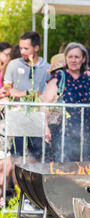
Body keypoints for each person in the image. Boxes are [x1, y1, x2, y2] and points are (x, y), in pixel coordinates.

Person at [40, 42, 90, 162]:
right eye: (70, 57)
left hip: (86, 137)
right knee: (63, 173)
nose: (73, 60)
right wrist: (45, 127)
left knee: (84, 174)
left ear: (83, 59)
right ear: (66, 59)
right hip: (63, 137)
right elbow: (45, 105)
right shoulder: (59, 78)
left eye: (77, 57)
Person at [0, 31, 51, 162]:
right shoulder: (13, 65)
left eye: (26, 48)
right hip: (17, 116)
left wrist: (22, 92)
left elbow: (48, 95)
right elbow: (7, 90)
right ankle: (17, 183)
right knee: (17, 158)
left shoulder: (47, 68)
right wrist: (30, 93)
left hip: (38, 118)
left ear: (36, 48)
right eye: (21, 47)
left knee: (36, 157)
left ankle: (32, 183)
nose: (22, 51)